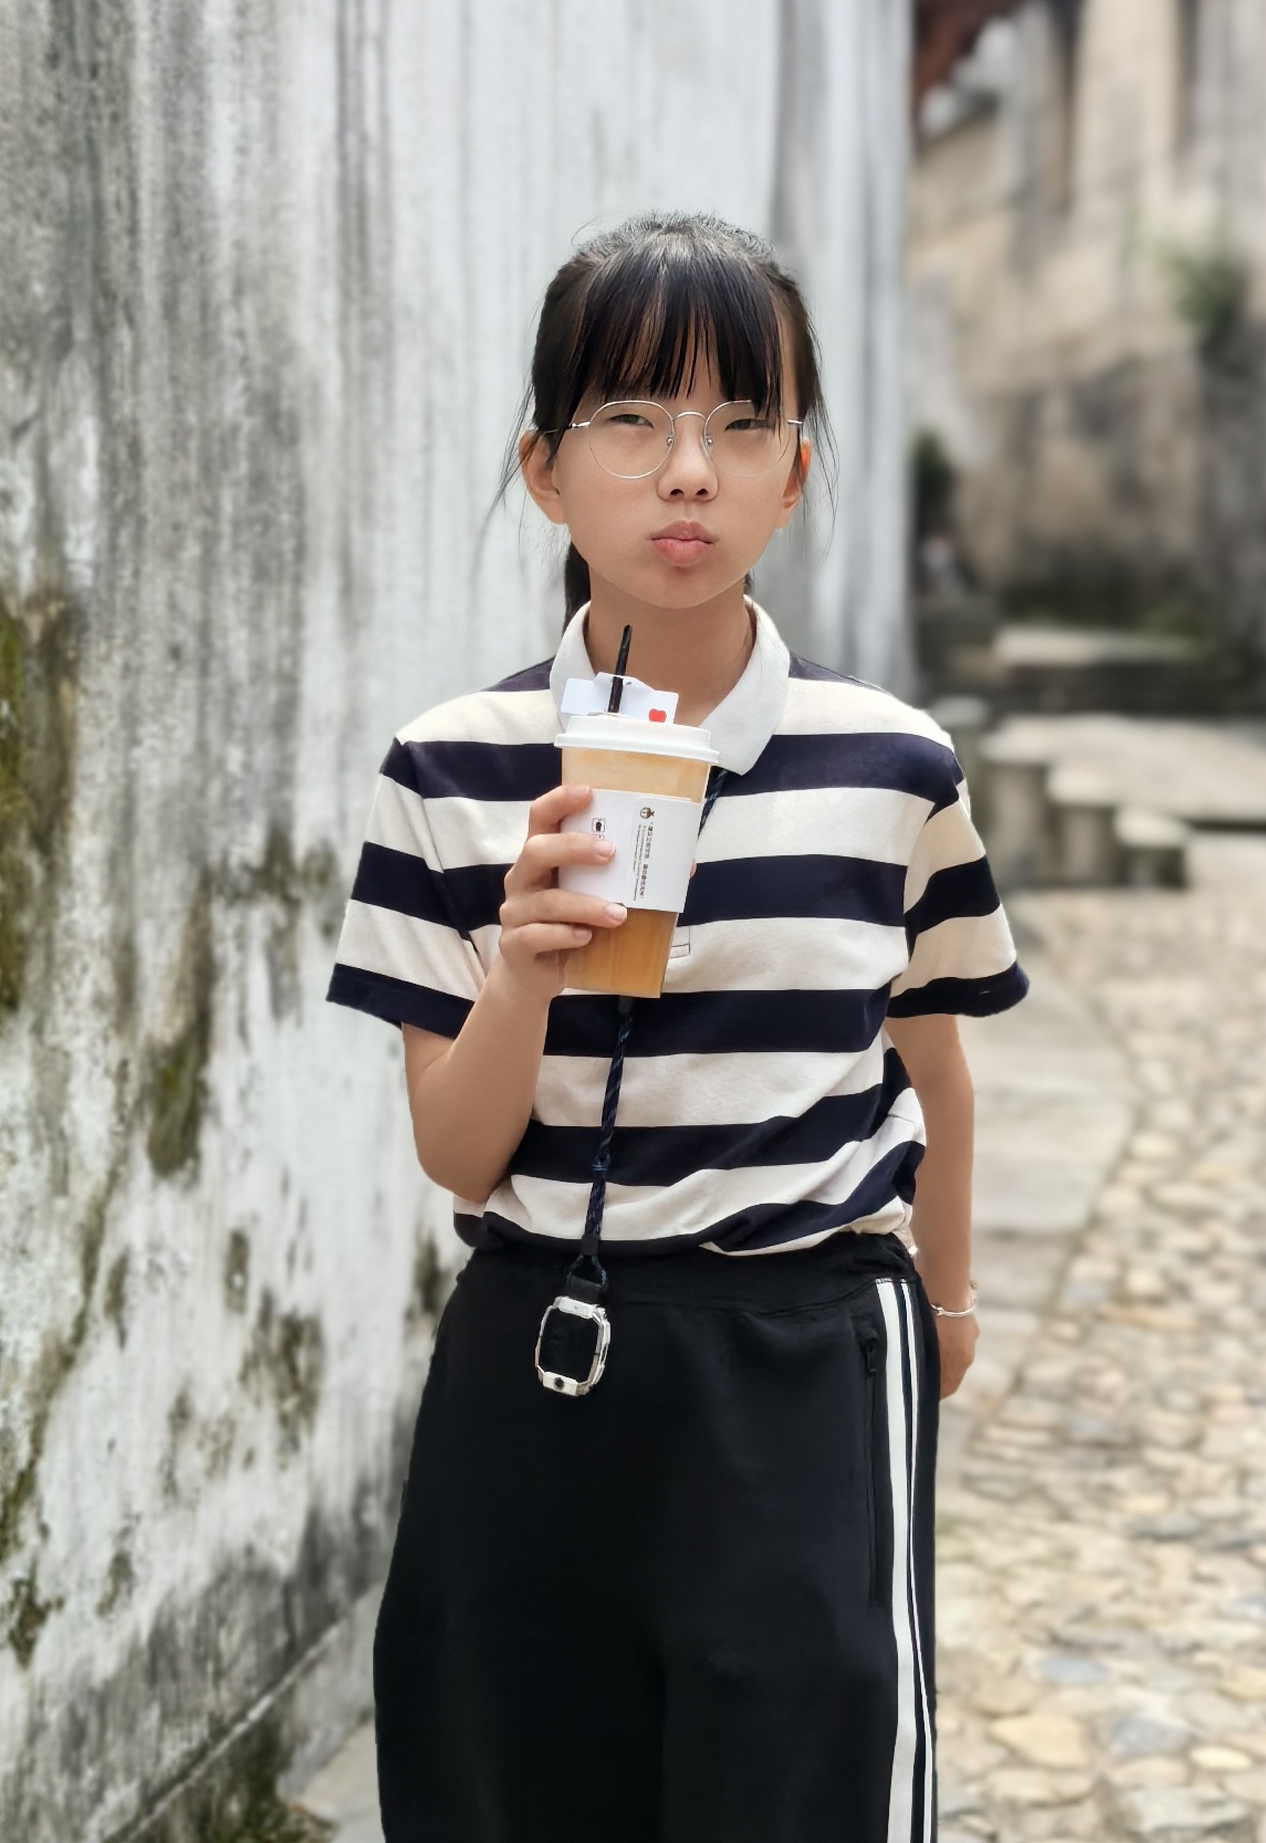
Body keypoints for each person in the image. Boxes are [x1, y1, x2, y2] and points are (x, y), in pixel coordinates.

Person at [324, 212, 1027, 1843]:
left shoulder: (893, 765)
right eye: (632, 418)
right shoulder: (448, 769)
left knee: (804, 1782)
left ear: (796, 474)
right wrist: (526, 968)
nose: (688, 472)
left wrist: (948, 1301)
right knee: (509, 1774)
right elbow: (458, 1153)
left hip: (806, 1346)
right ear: (545, 471)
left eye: (743, 423)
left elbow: (933, 1059)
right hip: (537, 1346)